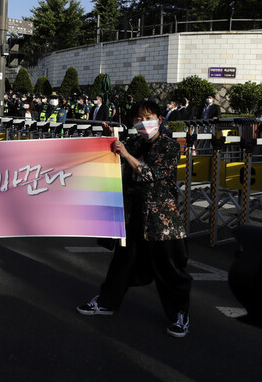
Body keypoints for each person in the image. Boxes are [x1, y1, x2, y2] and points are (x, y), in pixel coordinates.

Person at [77, 100, 192, 338]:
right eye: (138, 119)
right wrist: (111, 140)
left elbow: (151, 174)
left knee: (170, 269)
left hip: (162, 220)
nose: (143, 123)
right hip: (133, 215)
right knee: (122, 262)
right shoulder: (136, 141)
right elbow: (116, 158)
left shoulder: (169, 147)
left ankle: (180, 314)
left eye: (148, 117)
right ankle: (107, 302)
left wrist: (126, 154)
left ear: (159, 120)